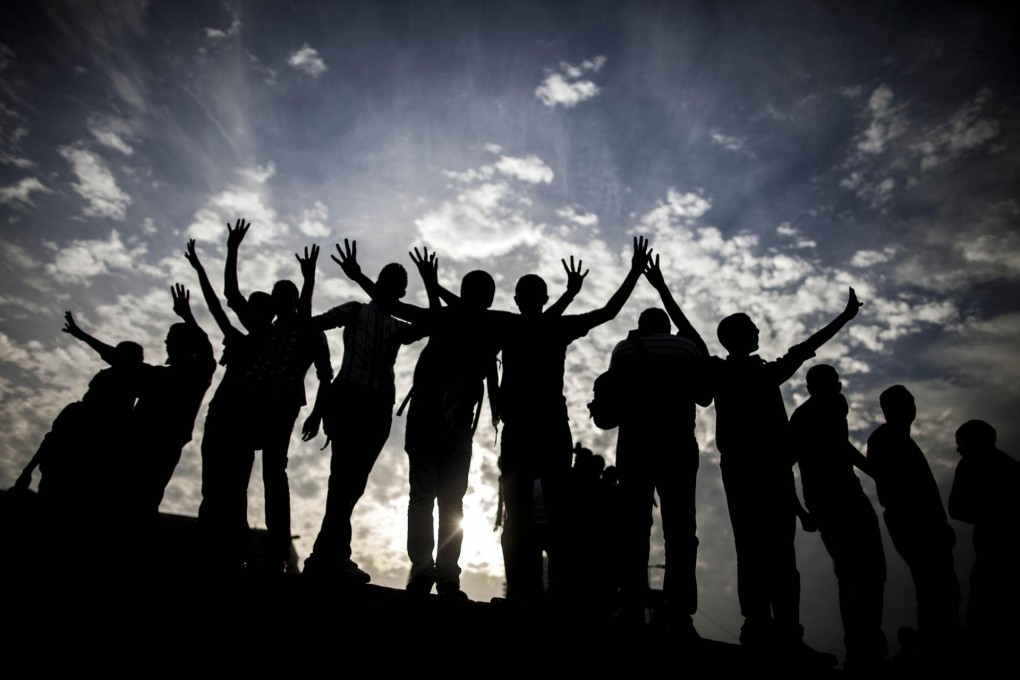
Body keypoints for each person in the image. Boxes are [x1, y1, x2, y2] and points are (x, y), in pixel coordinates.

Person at [332, 239, 513, 598]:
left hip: (445, 421)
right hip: (443, 421)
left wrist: (365, 278)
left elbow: (397, 306)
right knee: (443, 499)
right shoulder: (487, 324)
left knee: (430, 497)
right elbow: (399, 306)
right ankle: (437, 572)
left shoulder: (470, 321)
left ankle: (431, 571)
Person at [707, 288, 861, 662]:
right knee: (774, 554)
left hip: (755, 471)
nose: (759, 330)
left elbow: (807, 346)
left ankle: (770, 630)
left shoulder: (738, 372)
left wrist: (844, 318)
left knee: (759, 551)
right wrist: (843, 318)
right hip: (758, 470)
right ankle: (771, 630)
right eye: (753, 328)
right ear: (740, 336)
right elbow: (808, 346)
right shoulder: (741, 372)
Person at [496, 239, 650, 608]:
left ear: (518, 299)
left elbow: (460, 312)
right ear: (543, 297)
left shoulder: (509, 327)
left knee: (519, 516)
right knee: (554, 514)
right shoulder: (555, 327)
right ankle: (555, 595)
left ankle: (525, 594)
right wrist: (633, 271)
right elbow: (610, 310)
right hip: (548, 426)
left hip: (525, 427)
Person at [301, 261, 426, 582]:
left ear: (401, 292)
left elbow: (429, 323)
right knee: (343, 478)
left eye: (401, 283)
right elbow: (312, 324)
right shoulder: (355, 310)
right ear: (381, 282)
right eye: (391, 280)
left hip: (379, 406)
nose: (396, 287)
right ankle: (330, 556)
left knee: (352, 483)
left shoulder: (398, 326)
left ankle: (326, 554)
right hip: (350, 398)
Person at [222, 221, 332, 572]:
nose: (285, 304)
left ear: (295, 301)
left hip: (281, 405)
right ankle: (236, 543)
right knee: (238, 472)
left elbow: (324, 375)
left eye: (290, 298)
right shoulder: (264, 329)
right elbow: (232, 296)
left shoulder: (307, 331)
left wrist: (317, 413)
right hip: (251, 402)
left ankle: (277, 552)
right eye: (280, 298)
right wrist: (232, 248)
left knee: (273, 473)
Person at [608, 253, 709, 636]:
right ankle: (680, 614)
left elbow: (614, 401)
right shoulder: (685, 349)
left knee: (634, 529)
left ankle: (630, 606)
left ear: (639, 326)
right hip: (679, 446)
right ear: (667, 327)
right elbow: (703, 397)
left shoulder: (623, 350)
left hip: (634, 446)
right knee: (681, 532)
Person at [791, 364, 887, 671]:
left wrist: (872, 471)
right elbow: (783, 465)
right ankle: (861, 651)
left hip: (845, 491)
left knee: (869, 571)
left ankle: (867, 646)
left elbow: (841, 446)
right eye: (830, 384)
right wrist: (801, 511)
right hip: (827, 499)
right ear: (812, 389)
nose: (837, 389)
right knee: (852, 574)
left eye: (837, 384)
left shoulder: (836, 403)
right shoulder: (804, 418)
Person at [866, 385, 960, 650]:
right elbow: (897, 489)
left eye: (911, 402)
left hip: (925, 523)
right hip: (913, 523)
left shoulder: (900, 439)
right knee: (935, 585)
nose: (910, 408)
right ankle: (936, 640)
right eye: (904, 403)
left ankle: (937, 635)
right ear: (888, 410)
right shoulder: (886, 440)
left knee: (940, 586)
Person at [949, 420, 1020, 650]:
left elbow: (956, 509)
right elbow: (957, 509)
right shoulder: (1011, 468)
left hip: (993, 558)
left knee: (983, 625)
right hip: (993, 555)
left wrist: (989, 513)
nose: (958, 448)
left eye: (961, 442)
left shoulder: (969, 467)